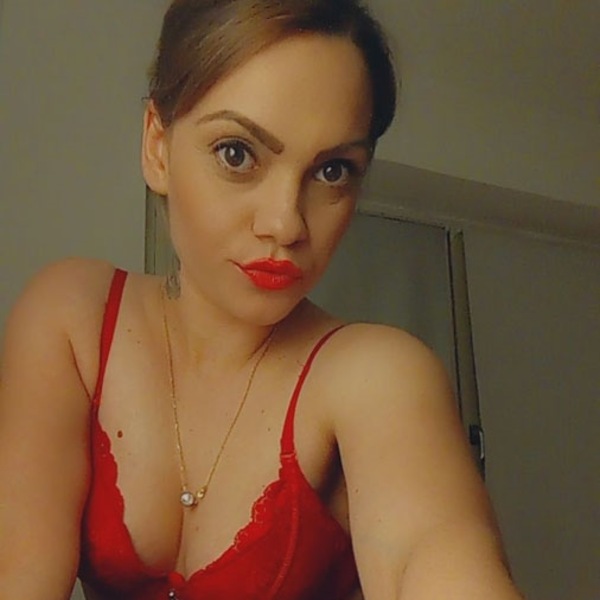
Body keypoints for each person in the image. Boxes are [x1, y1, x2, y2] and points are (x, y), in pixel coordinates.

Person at [0, 1, 524, 599]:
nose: (285, 223)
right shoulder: (74, 320)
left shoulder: (377, 375)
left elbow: (433, 553)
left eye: (332, 171)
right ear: (157, 147)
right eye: (237, 154)